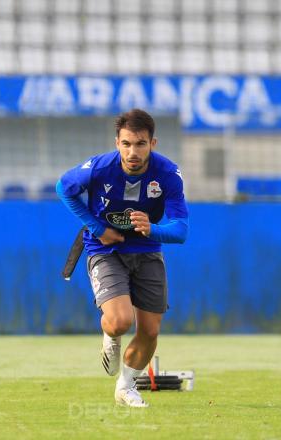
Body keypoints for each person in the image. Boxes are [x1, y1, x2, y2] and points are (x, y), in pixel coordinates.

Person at [56, 108, 189, 408]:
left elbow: (181, 230)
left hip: (147, 250)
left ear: (152, 144)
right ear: (117, 142)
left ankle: (125, 388)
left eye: (140, 144)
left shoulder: (168, 175)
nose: (133, 151)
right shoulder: (99, 168)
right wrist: (98, 228)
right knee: (119, 321)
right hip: (106, 249)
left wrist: (152, 229)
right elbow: (63, 188)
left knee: (150, 331)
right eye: (126, 143)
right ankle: (110, 336)